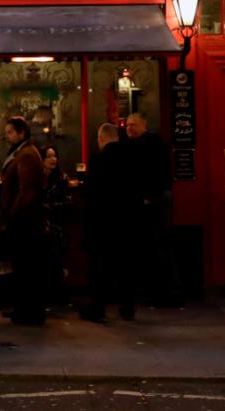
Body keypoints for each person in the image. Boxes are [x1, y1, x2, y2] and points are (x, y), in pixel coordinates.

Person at [81, 123, 139, 323]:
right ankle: (128, 307)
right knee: (127, 266)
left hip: (102, 221)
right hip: (127, 220)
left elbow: (91, 191)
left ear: (101, 138)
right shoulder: (133, 157)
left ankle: (97, 308)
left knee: (99, 267)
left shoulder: (98, 160)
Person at [0, 116, 47, 326]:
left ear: (21, 133)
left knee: (27, 268)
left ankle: (28, 311)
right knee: (26, 267)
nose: (7, 136)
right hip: (28, 222)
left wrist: (11, 216)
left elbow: (26, 192)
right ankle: (26, 309)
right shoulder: (25, 152)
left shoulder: (26, 155)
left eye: (10, 132)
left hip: (25, 223)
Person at [125, 112, 178, 304]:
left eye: (133, 125)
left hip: (155, 200)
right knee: (159, 245)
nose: (129, 128)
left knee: (158, 245)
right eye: (128, 125)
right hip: (159, 198)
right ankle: (164, 293)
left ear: (143, 126)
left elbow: (147, 174)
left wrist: (147, 197)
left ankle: (165, 293)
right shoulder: (152, 142)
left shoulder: (147, 144)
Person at [40, 145, 70, 302]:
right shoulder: (38, 178)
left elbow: (65, 202)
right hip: (42, 222)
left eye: (55, 156)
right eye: (49, 156)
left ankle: (57, 291)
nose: (53, 159)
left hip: (56, 222)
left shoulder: (61, 178)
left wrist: (47, 207)